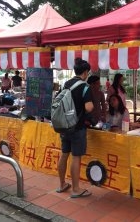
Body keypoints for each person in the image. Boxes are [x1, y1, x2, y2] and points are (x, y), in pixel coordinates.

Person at [57, 58, 94, 198]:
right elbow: (88, 107)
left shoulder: (66, 84)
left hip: (64, 126)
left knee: (64, 154)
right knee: (76, 157)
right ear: (85, 72)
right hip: (77, 127)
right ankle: (76, 189)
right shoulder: (85, 87)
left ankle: (62, 185)